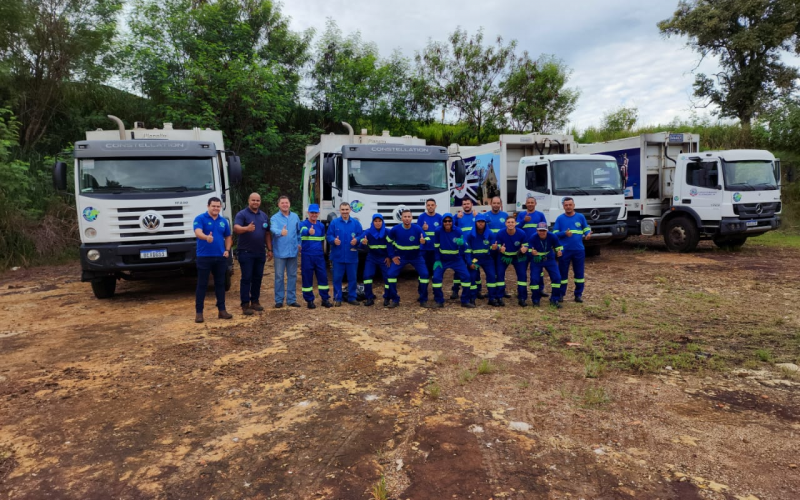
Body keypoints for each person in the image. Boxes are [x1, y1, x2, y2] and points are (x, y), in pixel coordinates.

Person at [193, 197, 233, 322]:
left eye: (218, 206)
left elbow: (228, 236)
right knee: (202, 284)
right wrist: (206, 238)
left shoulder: (223, 221)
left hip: (220, 257)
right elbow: (197, 232)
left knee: (220, 284)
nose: (216, 208)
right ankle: (199, 313)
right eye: (213, 206)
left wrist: (227, 249)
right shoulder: (200, 218)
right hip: (204, 257)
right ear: (208, 206)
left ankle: (222, 310)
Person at [233, 192, 272, 316]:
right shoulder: (242, 214)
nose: (255, 202)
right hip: (245, 252)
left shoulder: (264, 216)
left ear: (260, 202)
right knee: (246, 278)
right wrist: (246, 229)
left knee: (257, 278)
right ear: (249, 201)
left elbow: (267, 234)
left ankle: (255, 301)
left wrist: (270, 249)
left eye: (258, 200)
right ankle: (245, 304)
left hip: (260, 252)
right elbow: (236, 228)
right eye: (253, 200)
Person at [386, 209, 431, 308]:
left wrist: (424, 241)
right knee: (390, 274)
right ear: (401, 218)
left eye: (409, 217)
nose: (407, 219)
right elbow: (388, 243)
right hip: (401, 257)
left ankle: (423, 299)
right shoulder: (395, 229)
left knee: (424, 274)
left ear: (412, 218)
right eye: (405, 217)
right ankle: (395, 299)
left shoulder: (417, 228)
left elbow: (427, 238)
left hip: (416, 257)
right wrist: (392, 256)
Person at [553, 197, 591, 303]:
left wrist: (588, 234)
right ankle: (561, 294)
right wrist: (564, 233)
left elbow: (586, 228)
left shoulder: (580, 217)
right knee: (562, 274)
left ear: (574, 205)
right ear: (563, 206)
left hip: (578, 250)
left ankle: (578, 295)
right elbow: (555, 233)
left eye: (570, 205)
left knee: (579, 274)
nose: (568, 207)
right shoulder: (560, 218)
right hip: (564, 251)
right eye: (566, 205)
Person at [432, 214, 474, 308]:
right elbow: (436, 247)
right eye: (445, 221)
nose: (447, 223)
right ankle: (439, 301)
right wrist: (437, 259)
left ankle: (465, 300)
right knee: (436, 278)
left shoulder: (458, 231)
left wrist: (462, 244)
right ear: (442, 222)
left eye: (449, 221)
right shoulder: (438, 231)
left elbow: (465, 247)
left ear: (452, 222)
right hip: (443, 260)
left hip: (456, 259)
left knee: (466, 276)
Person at [326, 202, 363, 306]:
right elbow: (328, 236)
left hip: (352, 256)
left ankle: (352, 297)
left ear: (350, 210)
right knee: (337, 278)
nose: (345, 212)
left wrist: (357, 240)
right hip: (338, 256)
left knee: (352, 278)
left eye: (346, 209)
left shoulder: (356, 223)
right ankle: (338, 298)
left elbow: (361, 235)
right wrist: (334, 240)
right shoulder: (334, 223)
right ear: (340, 210)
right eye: (343, 210)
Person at [270, 195, 301, 308]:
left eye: (286, 202)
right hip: (280, 252)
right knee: (279, 276)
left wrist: (299, 243)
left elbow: (299, 232)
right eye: (282, 203)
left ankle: (291, 300)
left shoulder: (295, 217)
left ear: (289, 204)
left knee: (292, 275)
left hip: (293, 251)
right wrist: (280, 232)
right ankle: (279, 300)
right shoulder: (274, 218)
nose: (285, 205)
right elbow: (272, 228)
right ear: (278, 205)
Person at [299, 204, 331, 309]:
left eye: (315, 213)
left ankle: (325, 299)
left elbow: (322, 241)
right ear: (308, 213)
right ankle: (309, 300)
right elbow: (302, 231)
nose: (313, 214)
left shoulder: (321, 226)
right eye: (311, 212)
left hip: (319, 255)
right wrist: (308, 231)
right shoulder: (303, 223)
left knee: (323, 277)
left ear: (318, 213)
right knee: (307, 278)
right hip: (307, 255)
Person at [359, 213, 396, 307]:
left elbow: (392, 246)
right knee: (367, 276)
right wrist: (363, 243)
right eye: (376, 221)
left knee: (388, 277)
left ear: (383, 222)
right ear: (372, 222)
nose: (378, 223)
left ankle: (387, 297)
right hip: (372, 257)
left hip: (384, 258)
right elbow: (360, 245)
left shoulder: (388, 232)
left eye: (380, 221)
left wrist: (389, 257)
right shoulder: (368, 232)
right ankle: (369, 297)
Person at [515, 196, 548, 297]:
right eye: (528, 202)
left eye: (532, 202)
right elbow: (515, 228)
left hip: (536, 248)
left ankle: (540, 289)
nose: (530, 204)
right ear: (526, 203)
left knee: (539, 270)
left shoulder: (540, 215)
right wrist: (524, 221)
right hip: (524, 248)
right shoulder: (521, 215)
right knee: (522, 270)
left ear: (535, 203)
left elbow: (545, 230)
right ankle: (521, 291)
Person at [493, 217, 529, 307]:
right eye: (508, 222)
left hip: (517, 256)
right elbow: (497, 245)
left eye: (512, 222)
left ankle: (522, 298)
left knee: (522, 275)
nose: (510, 224)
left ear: (515, 223)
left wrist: (524, 248)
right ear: (505, 224)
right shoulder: (500, 233)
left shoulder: (521, 233)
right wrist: (500, 248)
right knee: (500, 275)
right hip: (504, 256)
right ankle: (499, 297)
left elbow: (526, 244)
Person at [528, 222, 563, 308]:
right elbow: (528, 249)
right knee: (534, 279)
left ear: (547, 230)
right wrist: (532, 252)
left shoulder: (552, 236)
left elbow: (559, 247)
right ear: (537, 231)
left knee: (557, 278)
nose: (542, 232)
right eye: (540, 230)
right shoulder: (533, 237)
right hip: (537, 259)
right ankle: (535, 300)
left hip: (549, 258)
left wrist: (559, 252)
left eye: (544, 230)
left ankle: (554, 299)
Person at [466, 213, 498, 306]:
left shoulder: (490, 234)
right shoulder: (470, 235)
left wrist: (494, 248)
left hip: (486, 258)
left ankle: (492, 298)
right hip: (475, 259)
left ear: (485, 223)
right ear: (475, 223)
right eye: (479, 222)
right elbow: (467, 251)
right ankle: (472, 298)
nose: (481, 223)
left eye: (482, 222)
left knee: (492, 276)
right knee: (472, 277)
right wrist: (469, 263)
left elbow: (493, 249)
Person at [486, 196, 511, 298]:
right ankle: (490, 290)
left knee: (500, 270)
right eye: (494, 203)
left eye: (498, 203)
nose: (496, 205)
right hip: (491, 248)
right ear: (490, 204)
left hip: (502, 248)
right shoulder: (486, 216)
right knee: (490, 270)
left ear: (501, 204)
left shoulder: (505, 215)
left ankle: (502, 289)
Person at [453, 198, 477, 299]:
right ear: (462, 206)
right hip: (461, 249)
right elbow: (450, 225)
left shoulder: (476, 215)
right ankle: (455, 291)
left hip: (474, 249)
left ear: (471, 204)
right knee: (458, 270)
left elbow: (486, 221)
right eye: (464, 204)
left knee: (475, 268)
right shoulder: (459, 216)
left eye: (468, 204)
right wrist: (455, 217)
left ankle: (477, 290)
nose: (466, 205)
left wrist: (478, 215)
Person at [417, 198, 443, 278]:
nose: (430, 207)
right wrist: (422, 228)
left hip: (435, 248)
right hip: (424, 248)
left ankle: (435, 282)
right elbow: (417, 230)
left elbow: (443, 231)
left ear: (435, 206)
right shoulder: (421, 217)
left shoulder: (439, 217)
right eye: (428, 205)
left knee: (435, 268)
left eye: (432, 205)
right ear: (426, 207)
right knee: (424, 269)